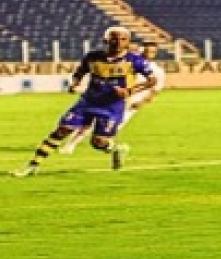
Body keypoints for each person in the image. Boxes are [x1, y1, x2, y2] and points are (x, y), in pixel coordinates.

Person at [11, 26, 157, 177]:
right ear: (105, 40)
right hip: (87, 102)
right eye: (114, 38)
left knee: (98, 142)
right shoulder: (92, 57)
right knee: (61, 131)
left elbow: (152, 80)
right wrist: (75, 83)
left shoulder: (135, 61)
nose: (118, 42)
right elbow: (79, 72)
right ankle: (32, 166)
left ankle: (114, 148)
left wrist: (130, 91)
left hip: (111, 106)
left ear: (128, 42)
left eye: (123, 39)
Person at [58, 40, 166, 155]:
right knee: (87, 124)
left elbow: (155, 91)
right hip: (110, 100)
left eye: (152, 51)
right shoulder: (129, 61)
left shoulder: (157, 71)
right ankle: (71, 145)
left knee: (102, 137)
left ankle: (114, 149)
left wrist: (142, 102)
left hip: (129, 106)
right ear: (141, 49)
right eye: (146, 50)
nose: (148, 53)